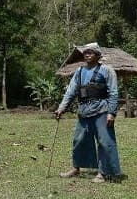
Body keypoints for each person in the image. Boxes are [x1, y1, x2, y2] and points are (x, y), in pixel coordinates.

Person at [54, 42, 121, 183]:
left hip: (102, 111)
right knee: (79, 140)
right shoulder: (79, 72)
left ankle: (104, 172)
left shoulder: (107, 70)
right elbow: (71, 91)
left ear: (97, 55)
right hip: (84, 111)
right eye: (85, 52)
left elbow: (113, 93)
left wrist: (112, 113)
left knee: (105, 141)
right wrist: (62, 107)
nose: (87, 54)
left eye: (90, 52)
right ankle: (76, 168)